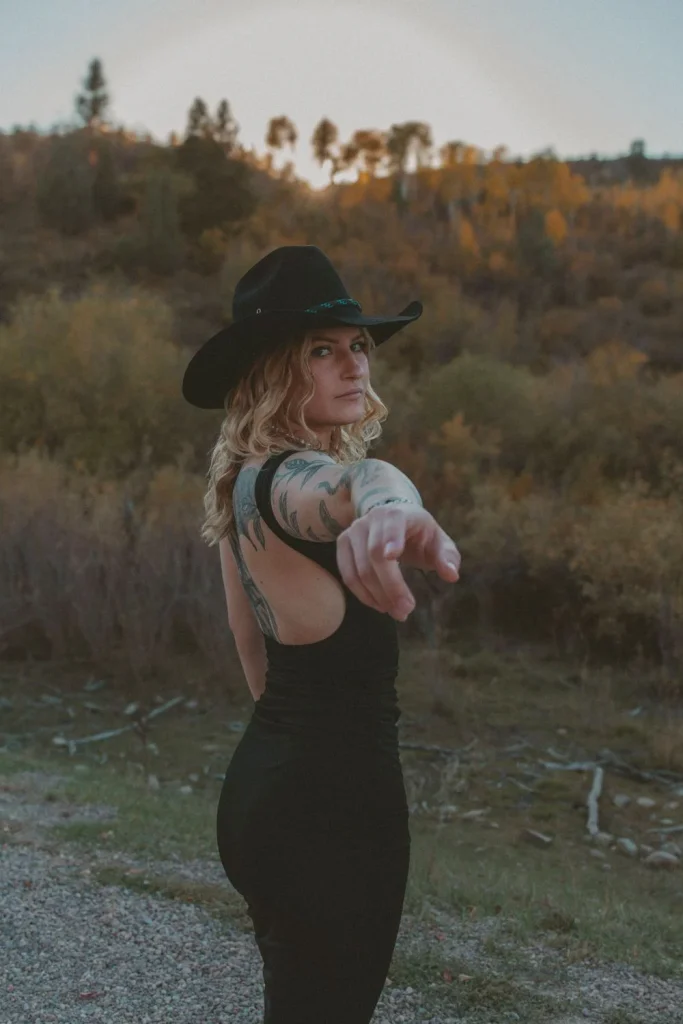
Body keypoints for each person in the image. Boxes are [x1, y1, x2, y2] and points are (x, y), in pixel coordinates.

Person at [182, 245, 461, 1023]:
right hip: (332, 810)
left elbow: (248, 640)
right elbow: (358, 484)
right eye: (321, 350)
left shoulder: (241, 482)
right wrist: (391, 507)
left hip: (267, 788)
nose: (354, 364)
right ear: (272, 371)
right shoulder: (291, 481)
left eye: (358, 345)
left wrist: (294, 763)